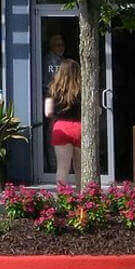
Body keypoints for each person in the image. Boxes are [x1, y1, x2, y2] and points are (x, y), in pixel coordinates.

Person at [45, 59, 82, 188]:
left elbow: (48, 112)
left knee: (62, 167)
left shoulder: (53, 88)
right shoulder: (83, 88)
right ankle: (83, 198)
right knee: (81, 168)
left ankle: (63, 199)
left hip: (60, 127)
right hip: (80, 127)